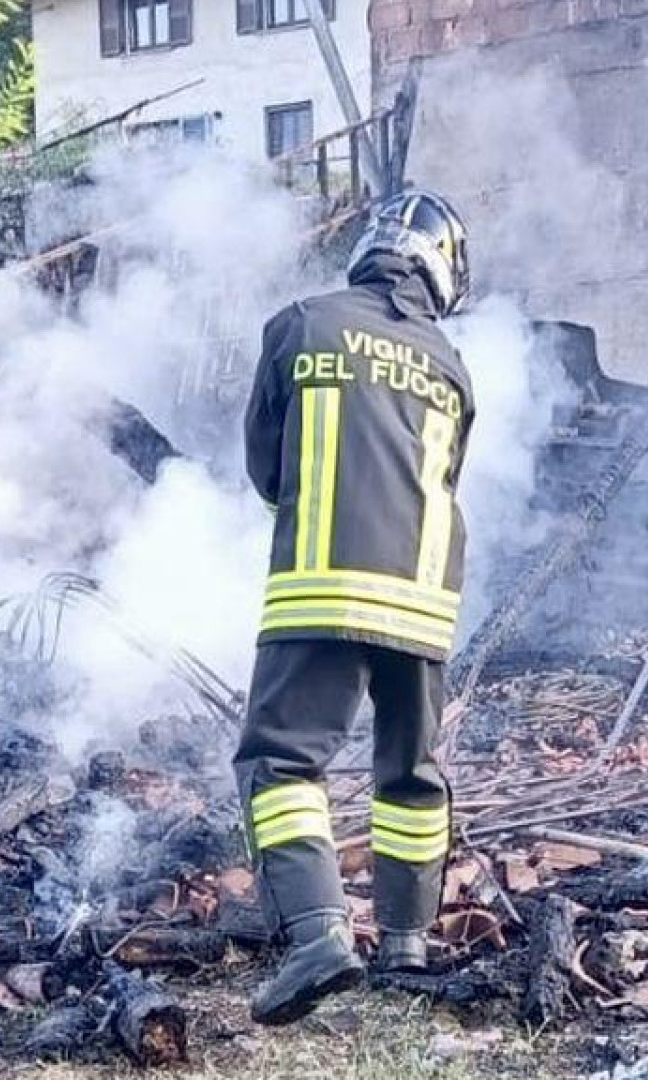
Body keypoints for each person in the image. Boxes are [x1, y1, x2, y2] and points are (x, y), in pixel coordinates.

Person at [234, 189, 475, 1026]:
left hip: (319, 589)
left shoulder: (301, 322)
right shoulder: (451, 365)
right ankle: (406, 943)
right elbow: (445, 483)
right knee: (411, 772)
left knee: (281, 763)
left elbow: (268, 471)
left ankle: (315, 936)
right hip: (424, 605)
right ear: (442, 270)